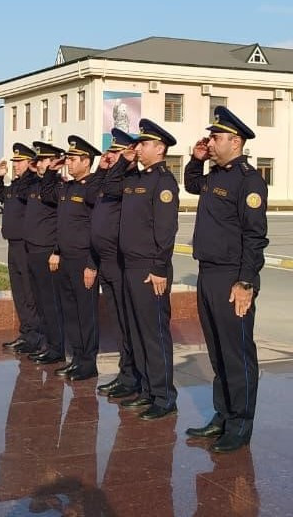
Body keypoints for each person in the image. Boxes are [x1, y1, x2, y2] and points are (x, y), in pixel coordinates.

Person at [184, 106, 268, 453]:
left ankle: (240, 424)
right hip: (208, 272)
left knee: (237, 354)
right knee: (217, 352)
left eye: (215, 137)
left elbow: (255, 236)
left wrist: (246, 282)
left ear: (235, 141)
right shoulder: (214, 175)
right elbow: (191, 184)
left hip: (233, 277)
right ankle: (222, 415)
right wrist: (196, 159)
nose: (210, 142)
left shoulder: (249, 180)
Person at [102, 118, 179, 420]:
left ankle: (164, 396)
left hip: (150, 268)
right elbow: (109, 187)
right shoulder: (134, 177)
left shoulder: (163, 182)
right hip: (129, 265)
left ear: (159, 148)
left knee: (154, 334)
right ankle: (147, 390)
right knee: (136, 331)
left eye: (144, 144)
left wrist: (159, 267)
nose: (139, 148)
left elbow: (166, 230)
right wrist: (123, 161)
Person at [41, 135, 102, 380]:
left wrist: (92, 264)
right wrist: (51, 171)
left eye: (73, 159)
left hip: (83, 260)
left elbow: (96, 229)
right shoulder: (67, 188)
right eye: (68, 158)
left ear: (86, 162)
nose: (69, 162)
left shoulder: (92, 188)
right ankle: (76, 358)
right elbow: (47, 195)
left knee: (86, 314)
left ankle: (88, 363)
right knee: (70, 312)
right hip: (65, 259)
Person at [88, 129, 141, 399]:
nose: (110, 156)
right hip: (105, 262)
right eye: (110, 151)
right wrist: (102, 168)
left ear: (129, 154)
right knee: (118, 323)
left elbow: (110, 189)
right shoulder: (111, 177)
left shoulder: (130, 182)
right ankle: (125, 373)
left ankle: (132, 376)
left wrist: (119, 166)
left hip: (121, 262)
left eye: (116, 152)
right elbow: (90, 195)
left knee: (126, 322)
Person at [0, 143, 43, 354]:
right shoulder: (15, 185)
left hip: (25, 246)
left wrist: (30, 173)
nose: (15, 165)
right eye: (15, 162)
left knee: (29, 293)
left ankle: (35, 336)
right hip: (13, 244)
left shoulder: (31, 184)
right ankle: (26, 333)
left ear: (30, 163)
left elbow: (24, 192)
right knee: (19, 292)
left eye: (20, 162)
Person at [22, 141, 67, 364]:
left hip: (47, 252)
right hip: (32, 250)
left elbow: (62, 222)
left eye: (43, 160)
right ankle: (47, 344)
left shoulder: (58, 187)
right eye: (37, 160)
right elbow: (19, 190)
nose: (39, 164)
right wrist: (31, 170)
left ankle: (57, 348)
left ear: (54, 162)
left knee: (51, 303)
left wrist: (57, 250)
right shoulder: (35, 185)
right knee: (40, 302)